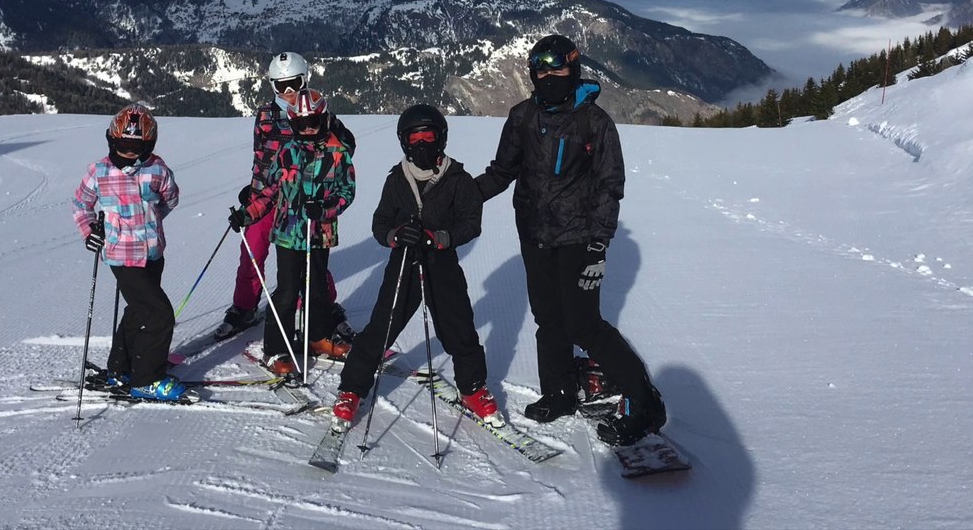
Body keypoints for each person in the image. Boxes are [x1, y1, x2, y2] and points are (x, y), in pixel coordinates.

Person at [473, 34, 666, 446]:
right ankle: (559, 391)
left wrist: (600, 245)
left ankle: (643, 399)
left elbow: (609, 187)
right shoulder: (522, 117)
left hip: (579, 237)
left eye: (556, 68)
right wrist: (461, 196)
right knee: (549, 318)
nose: (548, 77)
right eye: (540, 70)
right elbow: (502, 171)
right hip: (535, 234)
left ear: (573, 69)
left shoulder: (595, 123)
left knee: (585, 324)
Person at [331, 104, 502, 429]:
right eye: (415, 137)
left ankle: (473, 388)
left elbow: (471, 223)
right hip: (405, 264)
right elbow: (380, 223)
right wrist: (396, 235)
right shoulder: (397, 180)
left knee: (460, 330)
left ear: (441, 139)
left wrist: (441, 237)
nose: (423, 144)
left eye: (429, 136)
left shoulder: (458, 179)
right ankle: (351, 389)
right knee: (382, 328)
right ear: (404, 142)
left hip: (442, 264)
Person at [217, 52, 356, 342]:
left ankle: (322, 307)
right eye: (281, 86)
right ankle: (245, 307)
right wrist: (254, 187)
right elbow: (261, 155)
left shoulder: (318, 112)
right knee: (252, 252)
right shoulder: (266, 115)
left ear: (304, 79)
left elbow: (343, 152)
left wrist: (333, 130)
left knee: (311, 259)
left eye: (293, 84)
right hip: (267, 195)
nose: (288, 92)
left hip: (304, 200)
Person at [72, 104, 193, 402]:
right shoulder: (99, 171)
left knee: (139, 309)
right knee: (159, 315)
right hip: (121, 254)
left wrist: (152, 219)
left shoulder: (157, 169)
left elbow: (170, 199)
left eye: (134, 148)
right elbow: (81, 204)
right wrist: (91, 230)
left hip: (152, 253)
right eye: (121, 146)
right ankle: (147, 379)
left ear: (148, 145)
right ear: (111, 140)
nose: (127, 154)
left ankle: (121, 367)